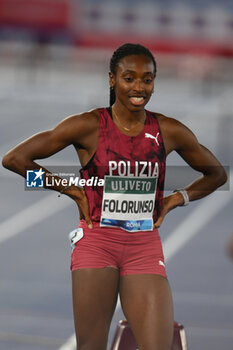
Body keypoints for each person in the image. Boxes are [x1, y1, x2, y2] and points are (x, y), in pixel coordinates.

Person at [2, 43, 227, 350]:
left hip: (143, 247)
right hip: (96, 245)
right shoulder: (88, 126)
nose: (139, 87)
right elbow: (14, 160)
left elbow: (217, 175)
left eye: (147, 80)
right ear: (112, 79)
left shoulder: (168, 131)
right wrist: (69, 189)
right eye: (129, 78)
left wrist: (176, 199)